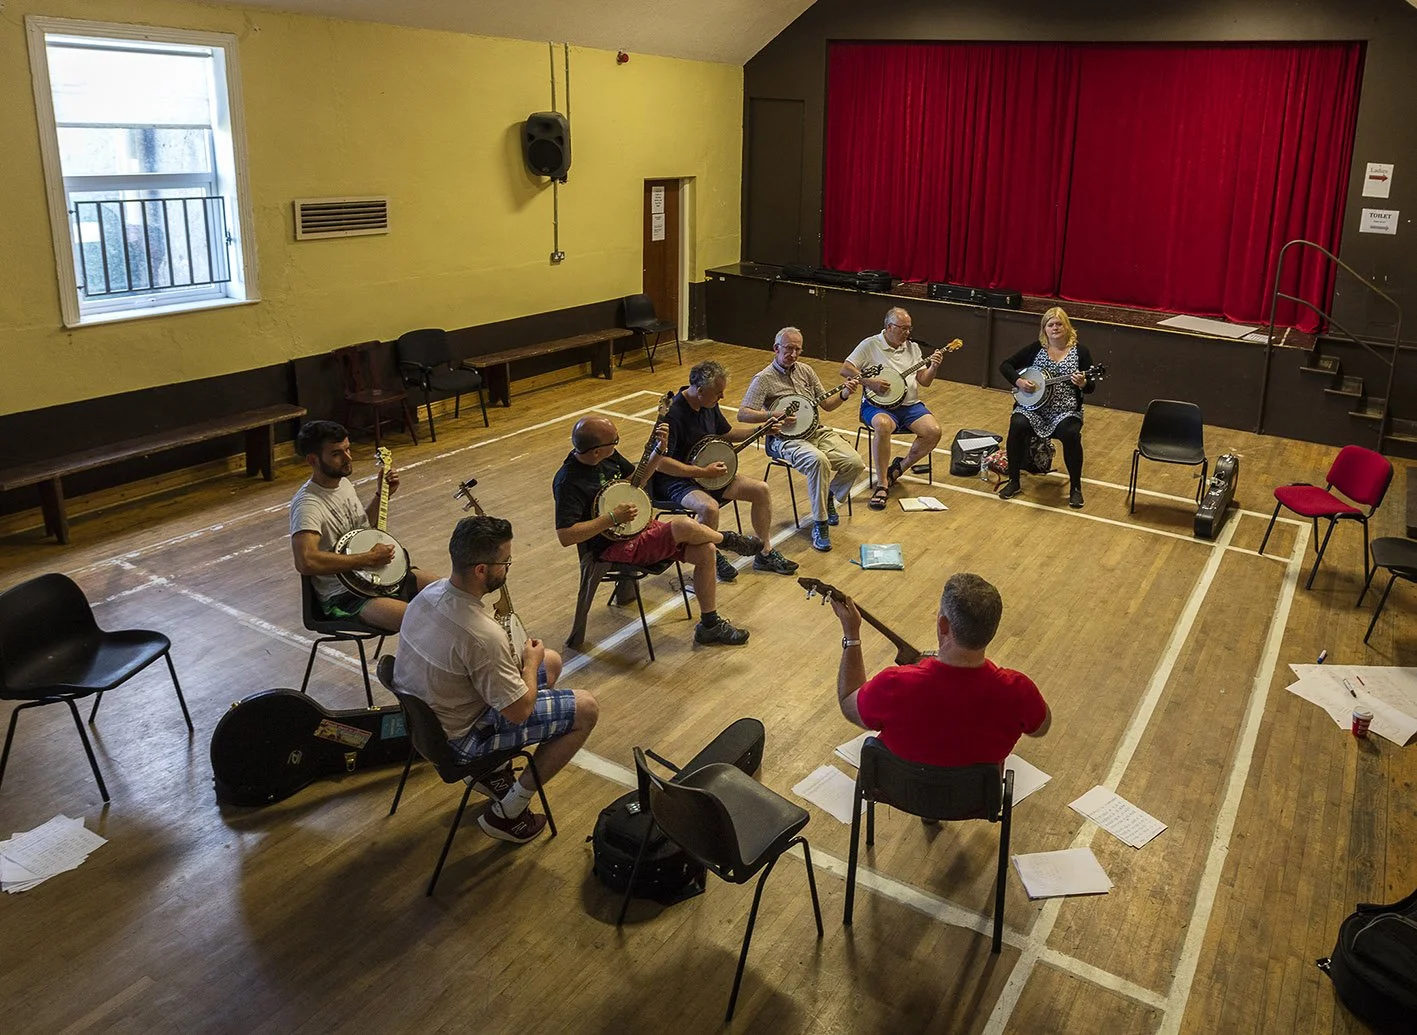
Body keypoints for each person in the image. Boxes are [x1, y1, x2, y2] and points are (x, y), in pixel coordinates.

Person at [393, 516, 591, 844]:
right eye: (505, 561)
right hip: (459, 742)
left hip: (426, 723)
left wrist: (538, 664)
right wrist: (530, 665)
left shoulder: (427, 595)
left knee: (552, 662)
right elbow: (518, 712)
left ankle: (493, 774)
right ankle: (509, 811)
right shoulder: (482, 635)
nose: (508, 568)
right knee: (585, 708)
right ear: (481, 570)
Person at [552, 414, 764, 645]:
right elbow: (566, 535)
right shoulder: (568, 481)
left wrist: (657, 453)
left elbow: (636, 482)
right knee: (683, 525)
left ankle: (709, 625)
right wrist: (611, 518)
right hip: (611, 547)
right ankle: (727, 539)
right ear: (595, 451)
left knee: (706, 551)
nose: (617, 444)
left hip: (639, 529)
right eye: (614, 442)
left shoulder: (608, 457)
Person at [827, 573, 1050, 769]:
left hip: (902, 791)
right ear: (992, 629)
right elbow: (1041, 728)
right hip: (974, 801)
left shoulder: (893, 683)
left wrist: (852, 635)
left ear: (943, 624)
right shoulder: (1018, 689)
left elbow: (849, 703)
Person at [650, 359, 798, 580]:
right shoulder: (672, 415)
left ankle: (764, 553)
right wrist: (702, 473)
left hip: (708, 474)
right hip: (676, 480)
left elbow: (725, 434)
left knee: (761, 490)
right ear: (700, 391)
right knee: (709, 508)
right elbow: (661, 463)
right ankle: (709, 556)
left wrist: (760, 430)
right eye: (718, 393)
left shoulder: (708, 403)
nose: (722, 397)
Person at [289, 420, 438, 631]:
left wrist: (382, 494)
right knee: (425, 625)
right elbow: (305, 561)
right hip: (343, 596)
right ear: (312, 460)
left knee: (449, 594)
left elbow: (361, 529)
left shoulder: (343, 484)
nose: (347, 458)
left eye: (348, 449)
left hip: (375, 577)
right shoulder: (308, 505)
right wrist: (368, 559)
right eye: (336, 454)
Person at [739, 327, 866, 552]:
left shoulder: (806, 371)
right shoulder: (764, 379)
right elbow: (744, 413)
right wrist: (772, 415)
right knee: (819, 461)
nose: (794, 354)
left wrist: (845, 394)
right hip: (784, 440)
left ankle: (827, 496)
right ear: (776, 348)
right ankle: (820, 524)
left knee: (855, 463)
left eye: (798, 349)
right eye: (789, 349)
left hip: (816, 431)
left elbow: (827, 405)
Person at [842, 306, 945, 511]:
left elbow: (924, 382)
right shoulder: (870, 345)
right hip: (876, 406)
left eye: (909, 329)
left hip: (910, 406)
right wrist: (869, 382)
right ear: (888, 326)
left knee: (933, 432)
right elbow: (845, 368)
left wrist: (933, 367)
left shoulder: (913, 348)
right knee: (882, 425)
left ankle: (899, 468)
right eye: (902, 328)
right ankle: (882, 484)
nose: (907, 333)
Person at [998, 306, 1097, 509]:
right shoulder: (1036, 348)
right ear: (1044, 329)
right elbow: (1005, 365)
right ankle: (1014, 481)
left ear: (1067, 326)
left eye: (1059, 324)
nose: (1055, 328)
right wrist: (1019, 382)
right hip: (1034, 409)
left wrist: (1082, 383)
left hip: (1066, 410)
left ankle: (1075, 488)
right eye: (1050, 324)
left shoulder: (1080, 352)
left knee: (1070, 434)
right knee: (1017, 424)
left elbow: (1091, 388)